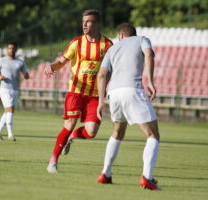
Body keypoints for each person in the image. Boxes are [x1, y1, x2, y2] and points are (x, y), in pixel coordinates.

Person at [45, 9, 113, 173]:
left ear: (97, 24)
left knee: (91, 132)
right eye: (83, 21)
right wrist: (51, 66)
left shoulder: (108, 45)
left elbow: (112, 68)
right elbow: (61, 62)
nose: (84, 24)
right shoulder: (77, 43)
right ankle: (53, 162)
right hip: (76, 92)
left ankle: (72, 137)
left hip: (95, 95)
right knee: (69, 124)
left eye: (88, 21)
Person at [96, 23, 161, 190]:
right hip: (132, 90)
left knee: (117, 133)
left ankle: (105, 174)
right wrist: (151, 82)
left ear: (120, 35)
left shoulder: (113, 48)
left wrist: (100, 101)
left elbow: (102, 75)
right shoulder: (142, 39)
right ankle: (147, 177)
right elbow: (149, 55)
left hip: (114, 93)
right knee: (152, 134)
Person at [0, 41, 29, 141]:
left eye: (13, 48)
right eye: (9, 48)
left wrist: (25, 75)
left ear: (16, 49)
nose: (11, 50)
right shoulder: (2, 60)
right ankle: (10, 134)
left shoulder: (20, 62)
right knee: (10, 110)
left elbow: (26, 75)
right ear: (7, 49)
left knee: (8, 112)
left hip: (15, 89)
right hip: (4, 89)